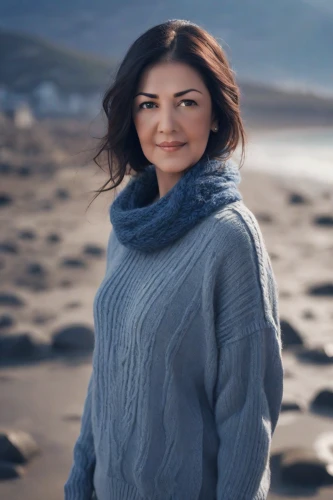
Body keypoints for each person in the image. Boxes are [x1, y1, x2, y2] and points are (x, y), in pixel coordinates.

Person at [64, 19, 284, 500]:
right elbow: (106, 375)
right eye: (149, 105)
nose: (166, 124)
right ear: (132, 116)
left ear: (216, 115)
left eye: (187, 102)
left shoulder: (231, 239)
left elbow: (248, 423)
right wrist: (79, 482)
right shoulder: (128, 227)